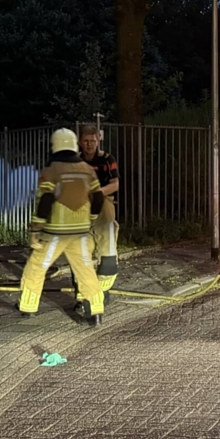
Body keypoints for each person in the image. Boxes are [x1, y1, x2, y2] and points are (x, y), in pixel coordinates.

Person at [18, 128, 106, 325]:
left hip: (55, 233)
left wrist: (36, 229)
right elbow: (98, 197)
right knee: (85, 270)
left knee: (36, 266)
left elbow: (45, 200)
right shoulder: (87, 170)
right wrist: (91, 218)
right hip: (81, 232)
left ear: (55, 146)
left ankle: (28, 307)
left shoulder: (52, 170)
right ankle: (95, 311)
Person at [77, 125, 120, 305]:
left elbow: (115, 184)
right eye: (86, 141)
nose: (89, 144)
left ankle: (103, 287)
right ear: (80, 142)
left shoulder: (107, 159)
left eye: (92, 141)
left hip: (103, 202)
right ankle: (83, 294)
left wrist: (97, 192)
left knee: (106, 242)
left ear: (98, 140)